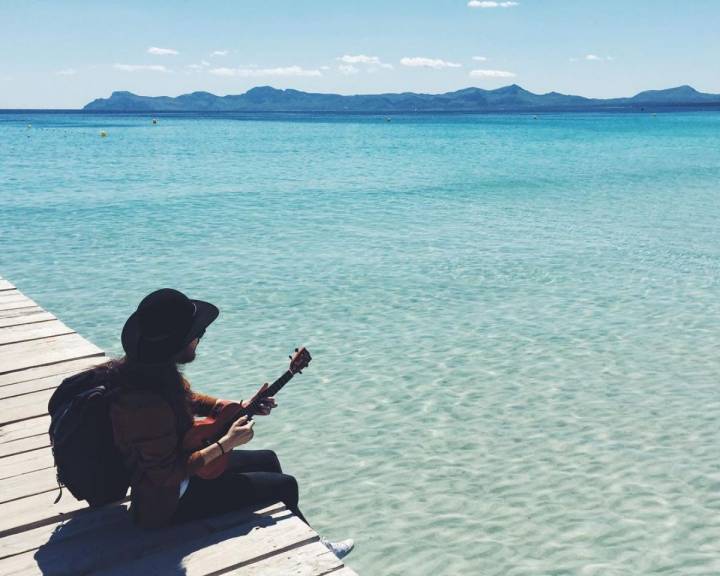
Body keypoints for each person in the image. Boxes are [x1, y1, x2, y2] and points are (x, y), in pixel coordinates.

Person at [107, 288, 353, 559]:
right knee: (285, 485)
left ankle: (295, 542)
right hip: (168, 504)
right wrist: (227, 443)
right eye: (196, 334)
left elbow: (189, 399)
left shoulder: (152, 372)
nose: (199, 338)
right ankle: (316, 556)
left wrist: (231, 408)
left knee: (269, 459)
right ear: (180, 342)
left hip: (181, 476)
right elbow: (165, 474)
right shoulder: (144, 406)